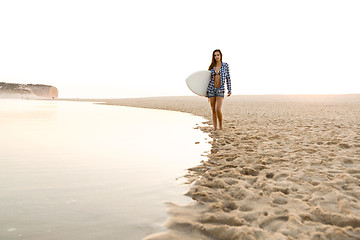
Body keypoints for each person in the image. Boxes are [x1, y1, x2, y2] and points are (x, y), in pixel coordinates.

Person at [206, 49, 232, 130]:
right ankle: (215, 127)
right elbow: (206, 80)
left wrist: (229, 89)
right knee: (213, 110)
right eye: (215, 55)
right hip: (211, 89)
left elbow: (228, 78)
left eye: (218, 55)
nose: (216, 57)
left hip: (220, 89)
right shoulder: (211, 67)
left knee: (218, 109)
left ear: (221, 56)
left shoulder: (225, 65)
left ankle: (220, 126)